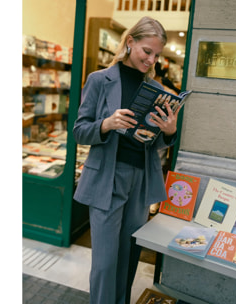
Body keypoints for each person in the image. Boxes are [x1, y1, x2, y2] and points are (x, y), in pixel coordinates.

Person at [73, 16, 181, 304]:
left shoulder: (157, 90)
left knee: (128, 256)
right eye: (147, 51)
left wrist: (168, 132)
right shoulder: (99, 80)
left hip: (141, 181)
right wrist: (106, 124)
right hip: (107, 179)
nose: (151, 60)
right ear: (130, 42)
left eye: (156, 55)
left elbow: (153, 140)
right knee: (106, 262)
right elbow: (79, 130)